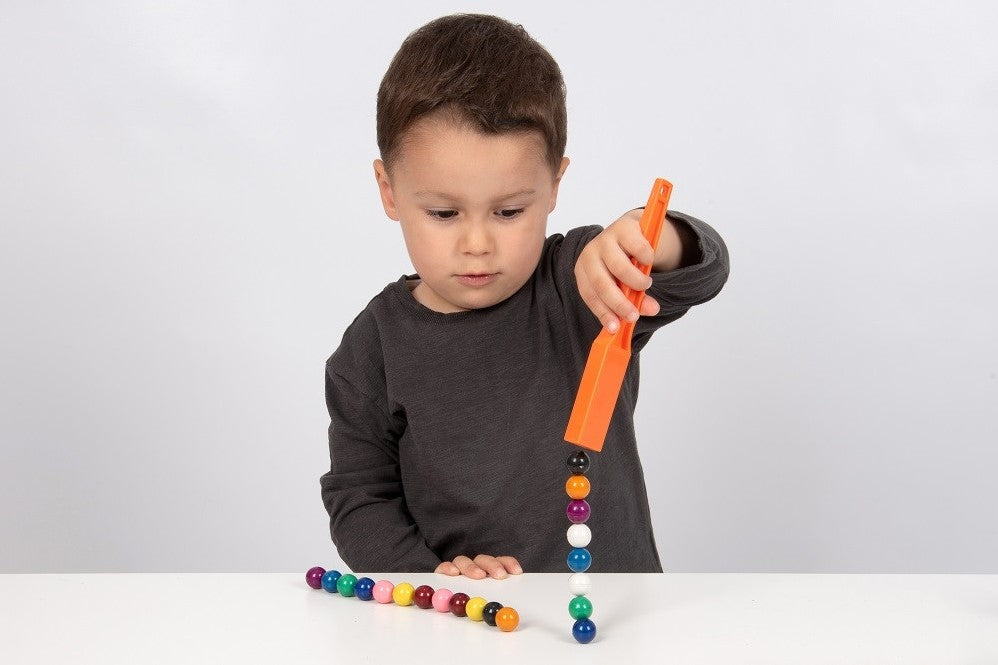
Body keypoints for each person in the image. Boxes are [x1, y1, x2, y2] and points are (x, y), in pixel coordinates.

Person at [320, 14, 729, 580]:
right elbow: (359, 499)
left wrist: (645, 240)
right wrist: (431, 580)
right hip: (464, 627)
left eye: (509, 212)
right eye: (443, 213)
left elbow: (703, 268)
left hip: (616, 616)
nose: (477, 245)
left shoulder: (581, 280)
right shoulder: (373, 347)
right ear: (389, 191)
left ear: (554, 186)